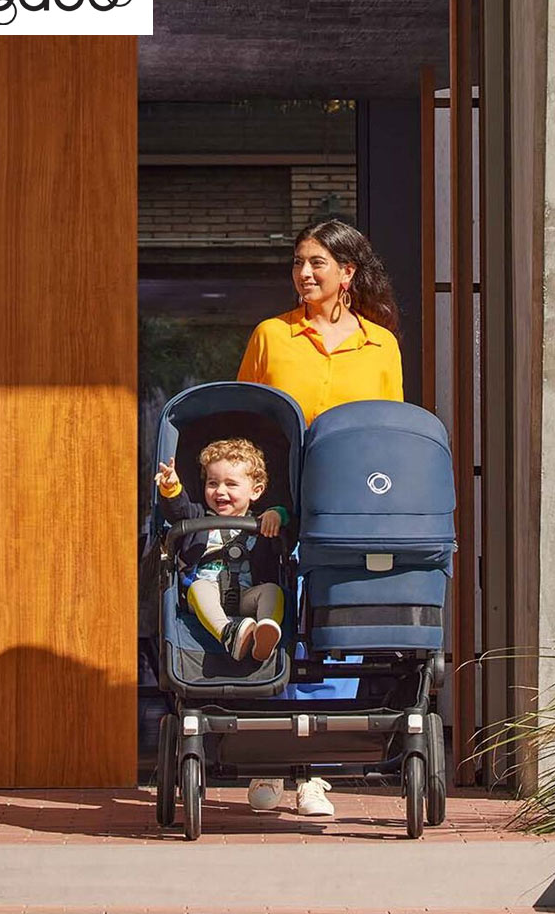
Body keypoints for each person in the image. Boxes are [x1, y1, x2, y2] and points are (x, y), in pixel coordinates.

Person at [238, 219, 404, 818]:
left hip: (350, 502)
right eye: (299, 263)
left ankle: (315, 774)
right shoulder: (271, 335)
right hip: (279, 500)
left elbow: (390, 433)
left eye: (318, 264)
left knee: (337, 631)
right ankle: (269, 763)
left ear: (347, 273)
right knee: (272, 618)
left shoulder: (381, 344)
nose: (304, 274)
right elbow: (246, 422)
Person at [155, 438, 288, 662]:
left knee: (273, 591)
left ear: (255, 491)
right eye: (212, 483)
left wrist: (278, 514)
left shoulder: (262, 523)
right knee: (198, 588)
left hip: (248, 595)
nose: (220, 491)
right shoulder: (197, 516)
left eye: (231, 484)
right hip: (207, 593)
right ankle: (228, 633)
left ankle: (265, 633)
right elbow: (177, 511)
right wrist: (171, 488)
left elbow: (290, 526)